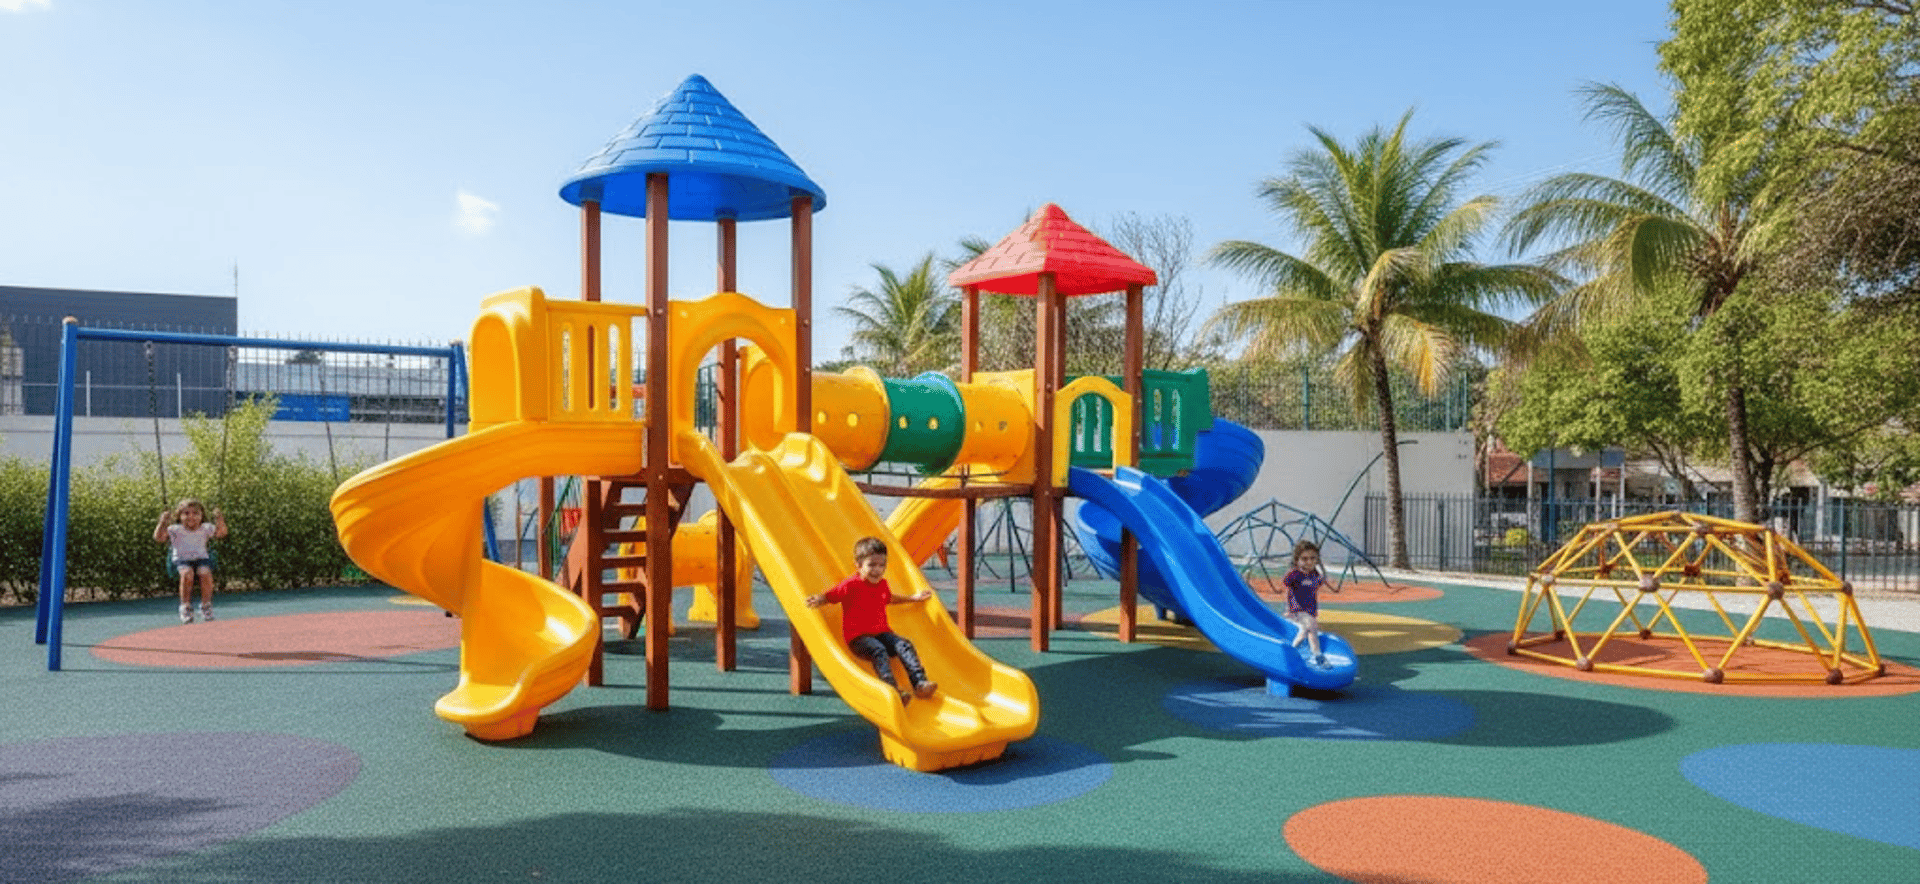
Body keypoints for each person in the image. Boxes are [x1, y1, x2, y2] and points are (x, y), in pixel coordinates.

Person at [806, 536, 938, 703]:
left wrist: (913, 598)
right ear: (859, 566)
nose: (877, 570)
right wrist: (819, 599)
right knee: (879, 650)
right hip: (858, 639)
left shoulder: (882, 584)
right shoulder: (850, 585)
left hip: (882, 633)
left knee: (904, 644)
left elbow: (889, 598)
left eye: (882, 565)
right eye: (872, 565)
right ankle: (893, 691)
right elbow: (832, 595)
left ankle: (920, 683)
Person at [154, 499, 227, 624]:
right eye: (186, 513)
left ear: (201, 516)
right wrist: (162, 522)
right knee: (187, 573)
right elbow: (158, 538)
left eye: (195, 513)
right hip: (180, 561)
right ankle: (185, 607)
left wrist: (219, 519)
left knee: (205, 572)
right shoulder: (175, 529)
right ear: (180, 516)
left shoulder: (206, 528)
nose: (191, 516)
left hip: (201, 559)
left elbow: (221, 533)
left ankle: (206, 606)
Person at [1283, 539, 1338, 667]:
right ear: (1297, 560)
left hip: (1310, 609)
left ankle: (1291, 650)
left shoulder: (1314, 574)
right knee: (1312, 628)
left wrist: (1325, 581)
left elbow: (1316, 584)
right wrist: (1288, 609)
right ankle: (1318, 656)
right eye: (1304, 558)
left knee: (1304, 631)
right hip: (1298, 609)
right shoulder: (1295, 574)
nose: (1309, 562)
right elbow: (1288, 588)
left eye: (1313, 558)